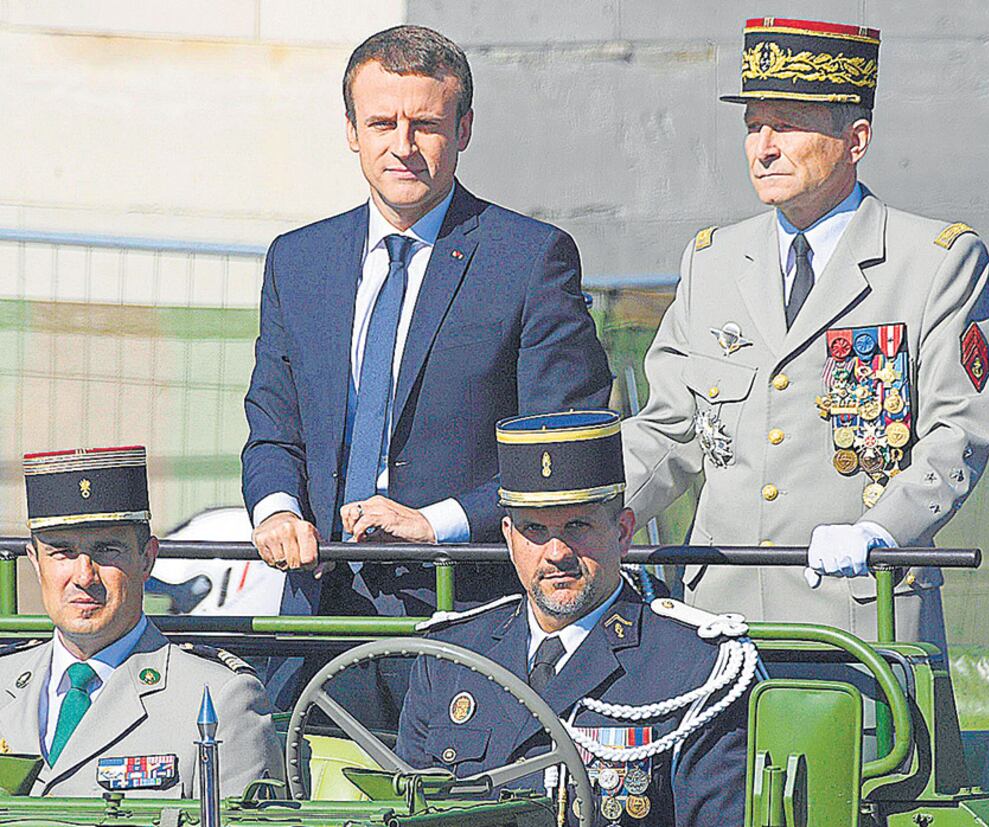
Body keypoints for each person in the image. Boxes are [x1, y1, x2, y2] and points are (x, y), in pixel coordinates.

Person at [622, 18, 989, 646]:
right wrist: (591, 513)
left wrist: (881, 530)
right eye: (752, 126)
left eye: (789, 124)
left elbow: (957, 431)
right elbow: (670, 430)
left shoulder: (933, 260)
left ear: (855, 139)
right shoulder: (714, 258)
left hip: (859, 609)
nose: (764, 147)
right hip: (721, 609)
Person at [242, 25, 612, 619]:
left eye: (426, 125)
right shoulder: (299, 260)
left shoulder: (529, 258)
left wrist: (434, 525)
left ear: (463, 130)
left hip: (468, 602)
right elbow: (273, 426)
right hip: (319, 602)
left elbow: (561, 448)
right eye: (382, 124)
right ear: (351, 131)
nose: (403, 146)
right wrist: (277, 509)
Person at [396, 411, 756, 825]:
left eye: (577, 526)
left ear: (622, 533)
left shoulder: (694, 668)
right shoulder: (450, 659)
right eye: (534, 530)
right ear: (509, 538)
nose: (556, 553)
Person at [0, 446, 282, 796]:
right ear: (35, 561)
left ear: (147, 559)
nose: (83, 575)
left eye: (107, 550)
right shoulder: (5, 680)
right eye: (62, 552)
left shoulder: (219, 699)